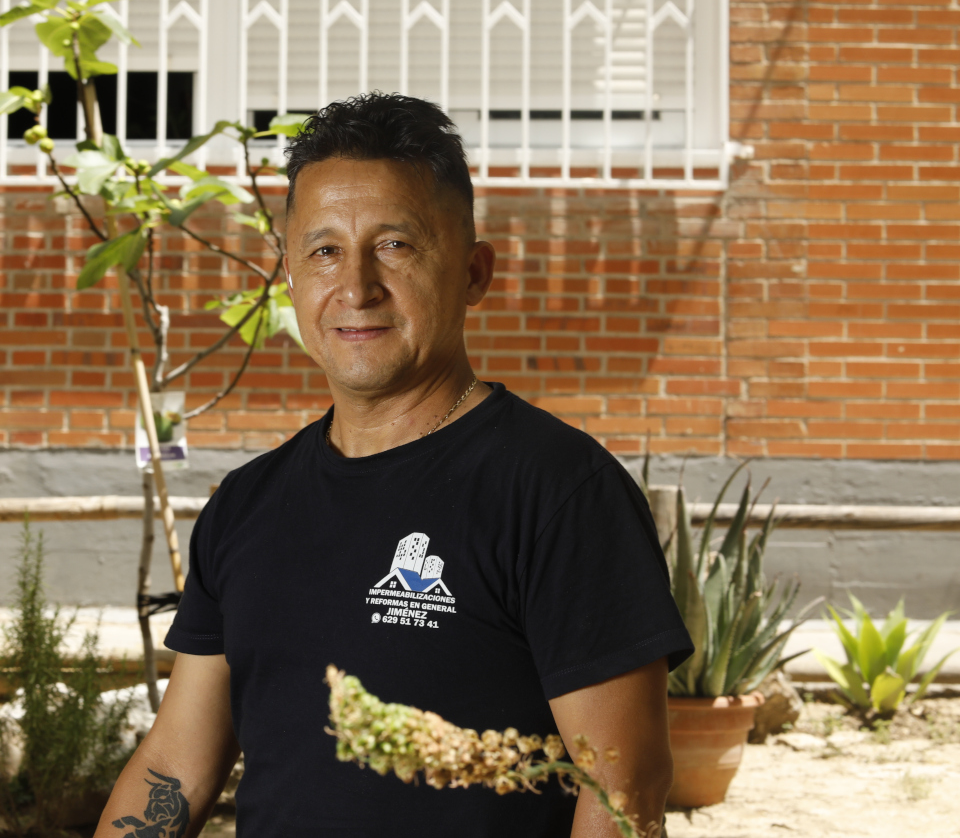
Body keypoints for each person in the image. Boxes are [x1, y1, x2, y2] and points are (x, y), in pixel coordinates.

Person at [93, 93, 693, 838]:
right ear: (290, 277)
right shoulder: (246, 506)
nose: (356, 287)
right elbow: (175, 765)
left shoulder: (560, 495)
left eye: (396, 245)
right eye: (324, 251)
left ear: (474, 271)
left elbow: (624, 786)